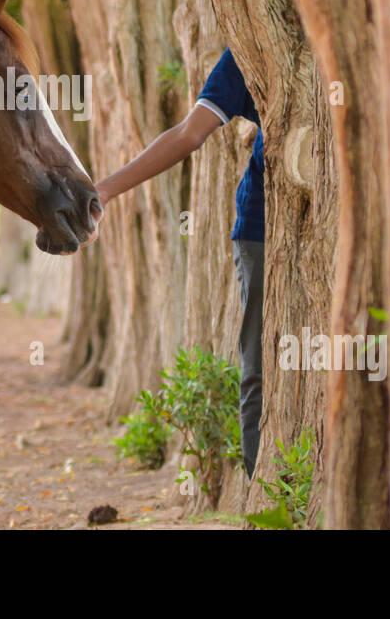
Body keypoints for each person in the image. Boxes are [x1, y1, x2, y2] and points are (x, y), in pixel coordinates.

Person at [93, 48, 267, 478]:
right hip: (265, 228)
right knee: (261, 365)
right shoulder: (250, 43)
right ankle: (268, 497)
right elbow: (190, 134)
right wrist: (106, 190)